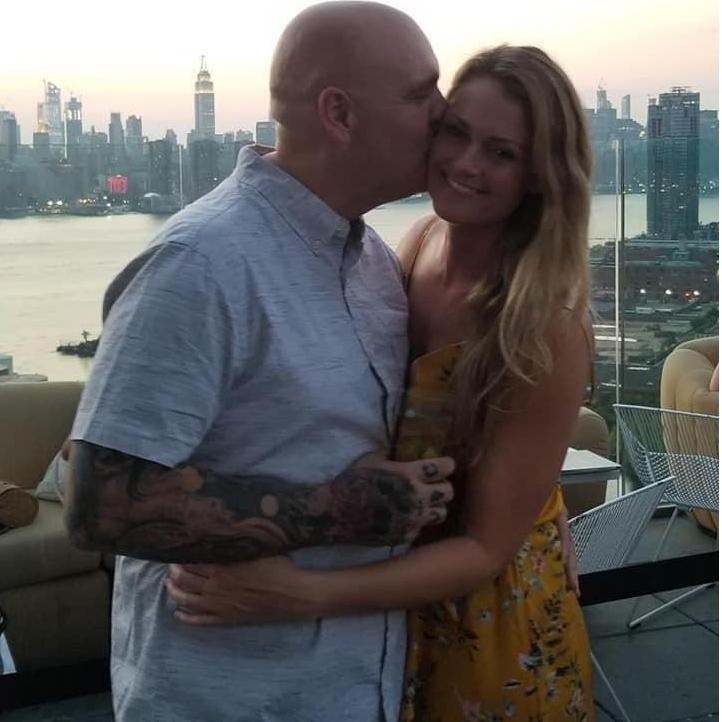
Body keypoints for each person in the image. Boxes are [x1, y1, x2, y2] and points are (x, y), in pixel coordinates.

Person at [166, 45, 596, 721]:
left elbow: (486, 547)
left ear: (540, 175)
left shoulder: (543, 322)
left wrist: (298, 595)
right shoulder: (420, 240)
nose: (465, 164)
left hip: (489, 622)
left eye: (502, 152)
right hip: (386, 600)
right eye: (456, 131)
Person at [64, 3, 455, 721]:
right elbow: (101, 504)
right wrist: (341, 510)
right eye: (421, 93)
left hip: (354, 687)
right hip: (226, 696)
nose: (444, 113)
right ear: (339, 114)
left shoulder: (370, 260)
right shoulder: (199, 264)